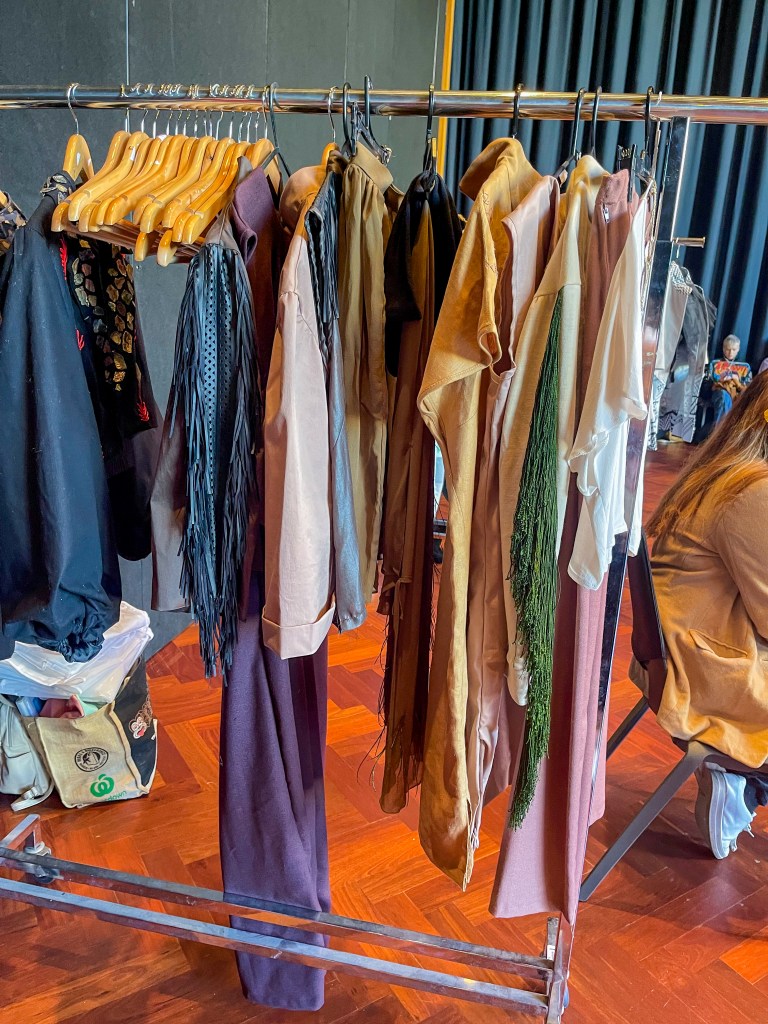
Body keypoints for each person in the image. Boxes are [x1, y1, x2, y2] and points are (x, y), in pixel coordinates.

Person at [645, 372, 768, 859]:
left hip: (682, 652)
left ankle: (743, 786)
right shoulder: (752, 490)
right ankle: (743, 783)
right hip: (706, 675)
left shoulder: (725, 472)